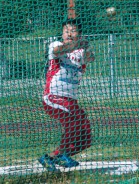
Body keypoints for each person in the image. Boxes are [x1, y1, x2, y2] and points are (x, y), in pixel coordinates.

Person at [38, 18, 95, 171]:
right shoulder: (56, 45)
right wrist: (77, 44)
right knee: (73, 122)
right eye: (66, 31)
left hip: (71, 101)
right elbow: (58, 51)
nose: (69, 33)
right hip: (53, 97)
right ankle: (59, 156)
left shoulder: (80, 52)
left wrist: (86, 46)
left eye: (73, 30)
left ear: (79, 34)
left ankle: (52, 157)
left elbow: (90, 57)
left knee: (85, 137)